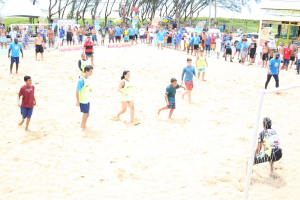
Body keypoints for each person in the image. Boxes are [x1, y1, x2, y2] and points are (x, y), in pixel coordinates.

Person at [76, 65, 93, 132]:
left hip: (87, 98)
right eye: (90, 71)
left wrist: (92, 90)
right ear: (86, 71)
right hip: (83, 99)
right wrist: (78, 101)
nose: (91, 73)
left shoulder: (87, 78)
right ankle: (83, 127)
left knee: (87, 113)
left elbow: (87, 87)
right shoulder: (81, 80)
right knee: (86, 113)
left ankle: (82, 125)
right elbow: (77, 91)